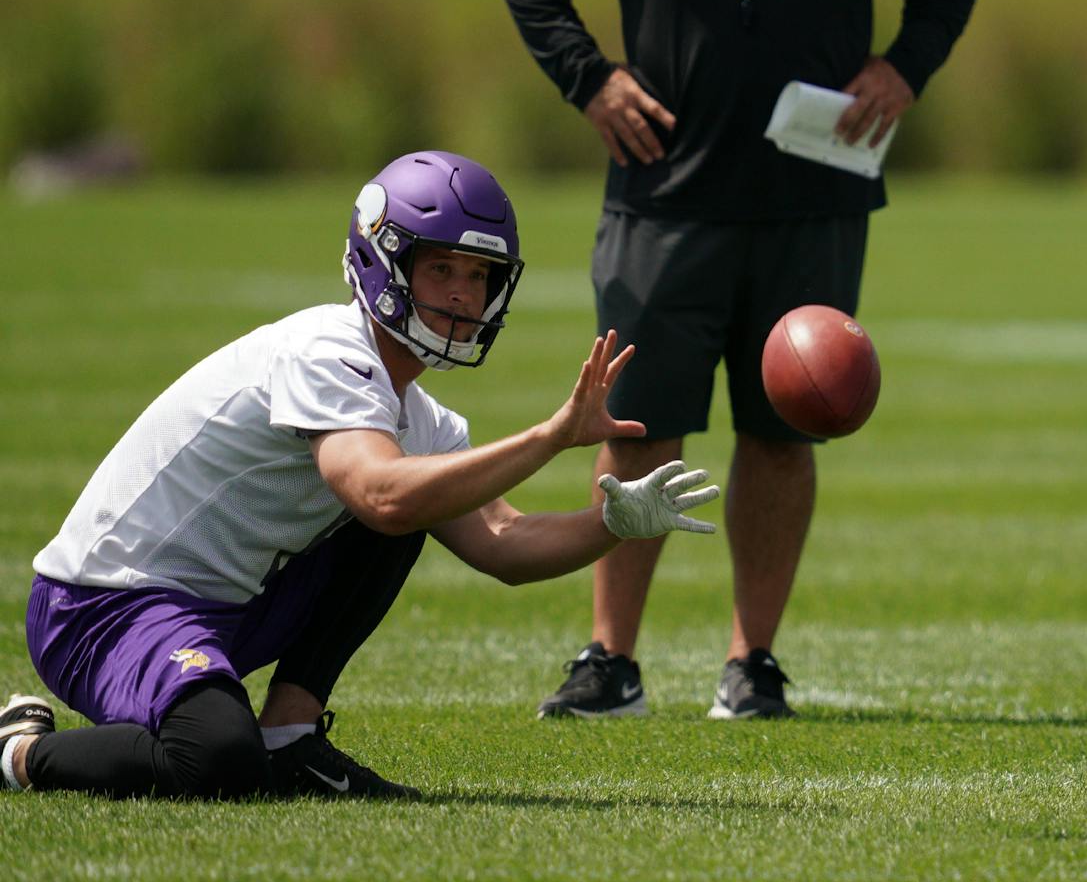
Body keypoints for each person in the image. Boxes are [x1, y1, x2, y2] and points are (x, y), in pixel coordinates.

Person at [494, 0, 977, 723]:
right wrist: (590, 77)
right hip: (664, 192)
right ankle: (610, 659)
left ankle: (752, 661)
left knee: (783, 427)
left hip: (813, 195)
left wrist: (903, 69)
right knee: (637, 426)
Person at [0, 152, 720, 801]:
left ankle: (292, 737)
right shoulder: (325, 349)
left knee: (425, 492)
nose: (465, 296)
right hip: (104, 608)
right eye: (441, 269)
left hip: (226, 606)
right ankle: (18, 751)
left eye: (479, 275)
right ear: (383, 264)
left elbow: (504, 542)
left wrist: (611, 525)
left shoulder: (421, 416)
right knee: (216, 759)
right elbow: (379, 494)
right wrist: (552, 436)